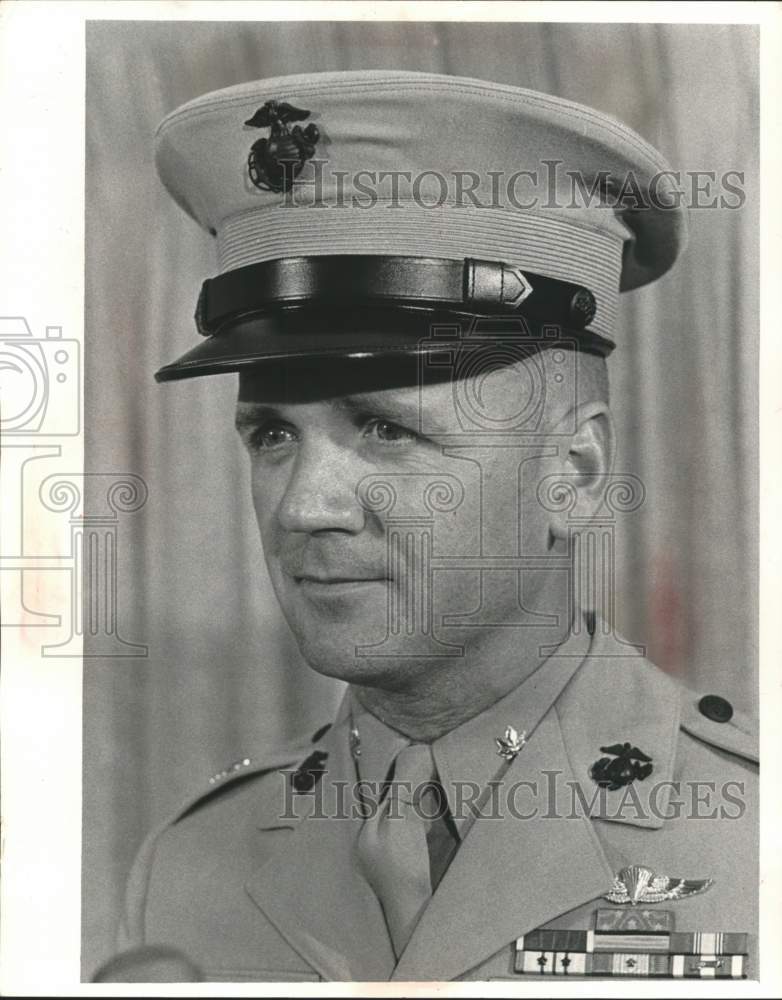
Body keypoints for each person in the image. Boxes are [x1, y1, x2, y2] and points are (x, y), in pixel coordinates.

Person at [106, 71, 757, 983]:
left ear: (572, 476)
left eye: (386, 429)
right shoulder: (191, 867)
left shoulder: (753, 840)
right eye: (273, 435)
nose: (303, 507)